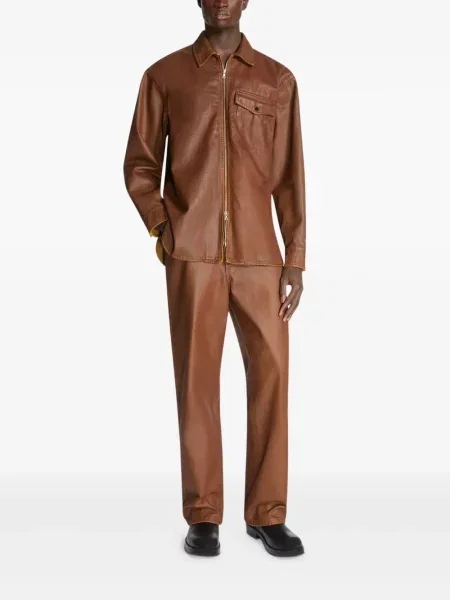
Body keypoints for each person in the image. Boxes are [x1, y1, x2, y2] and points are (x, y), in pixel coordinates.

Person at [123, 0, 306, 558]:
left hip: (260, 257)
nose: (222, 0)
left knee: (272, 379)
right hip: (192, 256)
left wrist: (295, 257)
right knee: (196, 383)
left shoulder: (278, 79)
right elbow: (139, 164)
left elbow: (290, 175)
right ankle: (203, 515)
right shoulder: (164, 76)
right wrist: (164, 227)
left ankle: (267, 514)